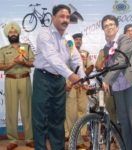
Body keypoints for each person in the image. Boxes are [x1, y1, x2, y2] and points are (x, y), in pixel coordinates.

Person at [32, 4, 86, 150]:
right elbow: (52, 58)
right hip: (43, 79)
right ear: (53, 17)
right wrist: (71, 75)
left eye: (68, 17)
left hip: (59, 80)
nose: (65, 19)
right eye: (62, 16)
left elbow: (75, 58)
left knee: (57, 119)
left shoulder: (68, 38)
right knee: (40, 120)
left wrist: (82, 77)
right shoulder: (45, 34)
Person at [100, 15, 132, 150]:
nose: (109, 27)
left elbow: (121, 60)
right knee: (123, 122)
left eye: (111, 24)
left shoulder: (124, 39)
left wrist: (107, 80)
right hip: (118, 86)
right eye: (106, 26)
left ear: (117, 27)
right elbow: (110, 65)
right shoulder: (106, 47)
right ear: (103, 29)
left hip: (131, 83)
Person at [0, 22, 34, 150]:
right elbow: (0, 66)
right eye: (10, 32)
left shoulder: (26, 47)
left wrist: (23, 61)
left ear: (18, 33)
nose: (13, 34)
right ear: (7, 35)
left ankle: (29, 138)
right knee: (11, 111)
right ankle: (13, 140)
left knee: (27, 110)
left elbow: (33, 62)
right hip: (10, 80)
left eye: (15, 32)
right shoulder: (3, 50)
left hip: (25, 79)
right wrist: (14, 62)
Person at [65, 33, 94, 148]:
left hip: (81, 84)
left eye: (79, 39)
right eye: (75, 39)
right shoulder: (66, 52)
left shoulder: (85, 53)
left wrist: (81, 78)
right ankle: (68, 133)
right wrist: (72, 80)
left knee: (82, 109)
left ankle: (81, 133)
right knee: (70, 112)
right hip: (70, 84)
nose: (78, 41)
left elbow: (90, 67)